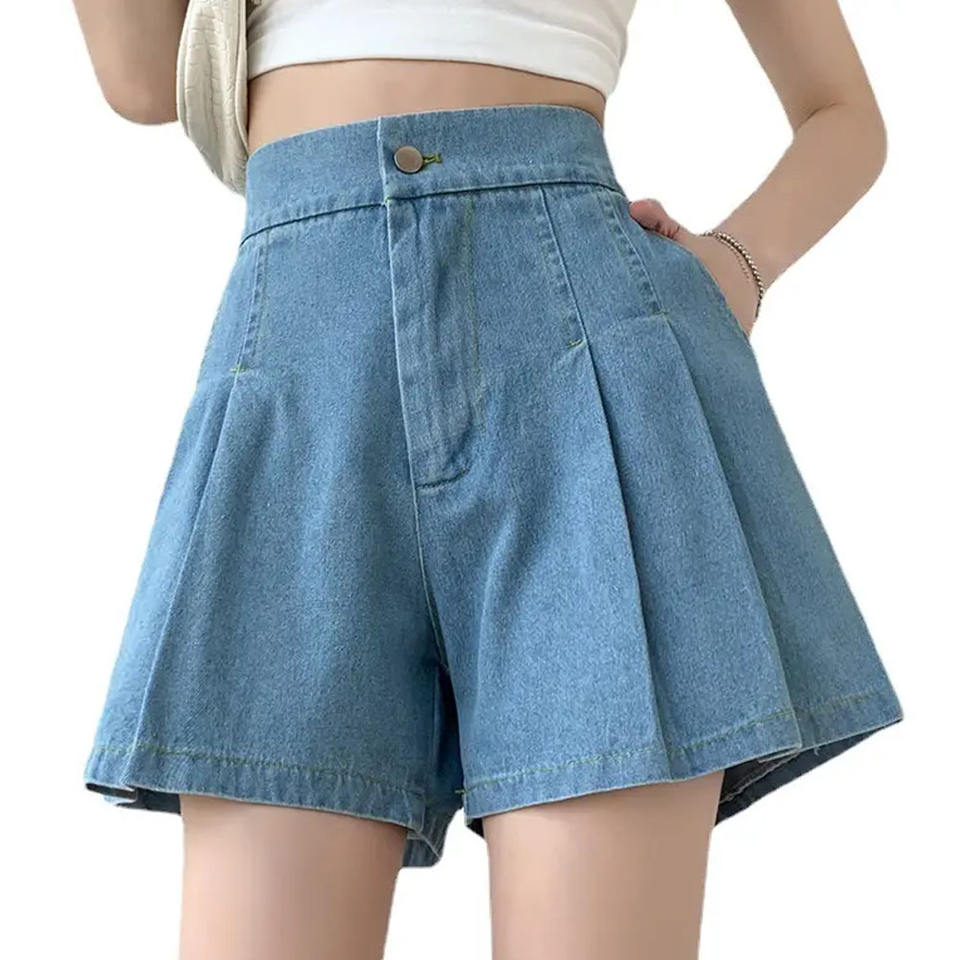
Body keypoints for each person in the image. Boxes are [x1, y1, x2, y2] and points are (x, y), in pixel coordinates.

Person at [73, 2, 904, 957]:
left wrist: (736, 266)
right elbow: (141, 81)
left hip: (577, 354)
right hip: (304, 361)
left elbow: (843, 112)